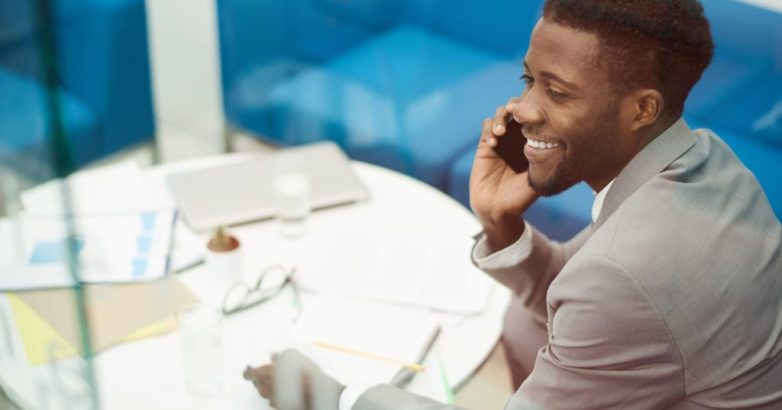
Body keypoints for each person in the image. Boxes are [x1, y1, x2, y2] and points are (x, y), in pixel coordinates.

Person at [244, 0, 782, 408]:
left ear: (641, 109)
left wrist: (331, 395)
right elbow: (578, 291)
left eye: (559, 92)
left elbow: (610, 289)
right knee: (523, 321)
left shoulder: (628, 270)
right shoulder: (706, 157)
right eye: (529, 80)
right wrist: (500, 221)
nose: (521, 109)